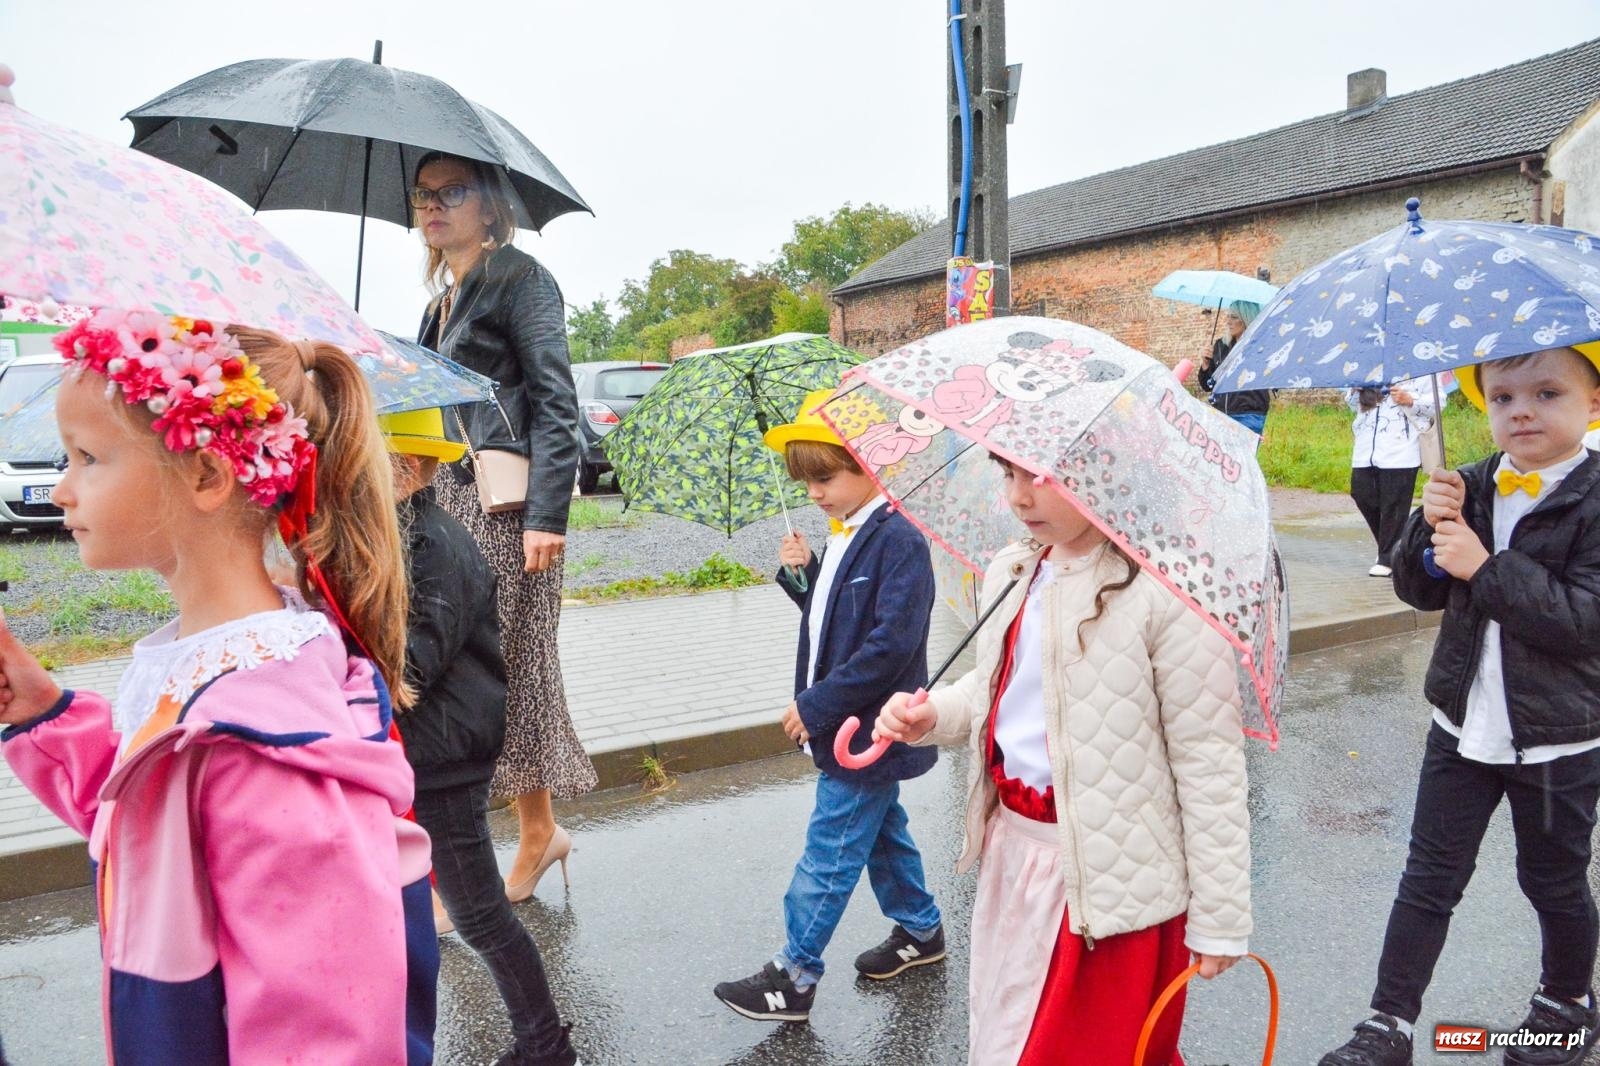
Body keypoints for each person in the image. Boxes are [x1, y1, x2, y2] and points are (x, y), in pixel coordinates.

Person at [0, 311, 437, 1063]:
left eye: (87, 458)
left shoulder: (267, 743)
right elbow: (156, 829)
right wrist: (45, 715)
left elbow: (328, 1033)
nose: (62, 490)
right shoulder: (213, 669)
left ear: (206, 474)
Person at [873, 456, 1251, 1066]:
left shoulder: (1168, 592)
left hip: (1113, 885)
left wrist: (1221, 917)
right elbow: (999, 685)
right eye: (1008, 476)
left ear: (1110, 472)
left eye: (1041, 477)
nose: (1020, 498)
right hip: (1017, 855)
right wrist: (933, 714)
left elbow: (1208, 763)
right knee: (1006, 1033)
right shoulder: (1017, 570)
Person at [1318, 342, 1600, 1066]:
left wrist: (1488, 565)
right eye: (1503, 398)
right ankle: (1388, 1025)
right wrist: (1425, 528)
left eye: (1547, 394)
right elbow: (1420, 591)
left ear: (1593, 405)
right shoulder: (1468, 484)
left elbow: (1581, 622)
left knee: (1553, 879)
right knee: (1428, 878)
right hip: (1462, 725)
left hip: (1555, 740)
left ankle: (1566, 1000)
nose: (1522, 411)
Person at [713, 389, 945, 1023]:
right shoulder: (844, 532)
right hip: (848, 721)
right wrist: (806, 574)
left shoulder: (899, 538)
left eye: (824, 478)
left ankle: (795, 974)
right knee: (880, 834)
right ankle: (922, 930)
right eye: (805, 481)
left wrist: (816, 704)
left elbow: (891, 643)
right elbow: (834, 617)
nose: (814, 493)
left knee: (833, 847)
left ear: (869, 467)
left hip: (866, 726)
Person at [413, 151, 596, 902]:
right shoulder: (441, 300)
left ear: (489, 206)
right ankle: (529, 832)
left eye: (451, 192)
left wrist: (546, 516)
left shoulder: (521, 279)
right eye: (422, 195)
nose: (432, 207)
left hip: (508, 512)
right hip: (450, 503)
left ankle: (531, 835)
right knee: (474, 670)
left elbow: (557, 402)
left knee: (510, 670)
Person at [384, 408, 580, 1066]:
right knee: (466, 907)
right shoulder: (404, 536)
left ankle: (545, 1045)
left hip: (445, 755)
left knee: (480, 914)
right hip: (428, 749)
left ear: (406, 468)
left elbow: (413, 663)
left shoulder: (436, 544)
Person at [1348, 381, 1435, 578]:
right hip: (1365, 448)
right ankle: (1398, 548)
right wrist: (1356, 392)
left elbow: (1439, 404)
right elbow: (1354, 406)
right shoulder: (1366, 368)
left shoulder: (1419, 365)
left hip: (1401, 448)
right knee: (1361, 493)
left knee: (1394, 504)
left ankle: (1388, 558)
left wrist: (1411, 399)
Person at [1196, 300, 1271, 432]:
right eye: (1228, 316)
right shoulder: (1220, 346)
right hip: (1220, 416)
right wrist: (1206, 365)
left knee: (1243, 453)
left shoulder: (1260, 347)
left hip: (1249, 415)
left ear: (1247, 318)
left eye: (1234, 317)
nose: (1228, 321)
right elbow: (1207, 386)